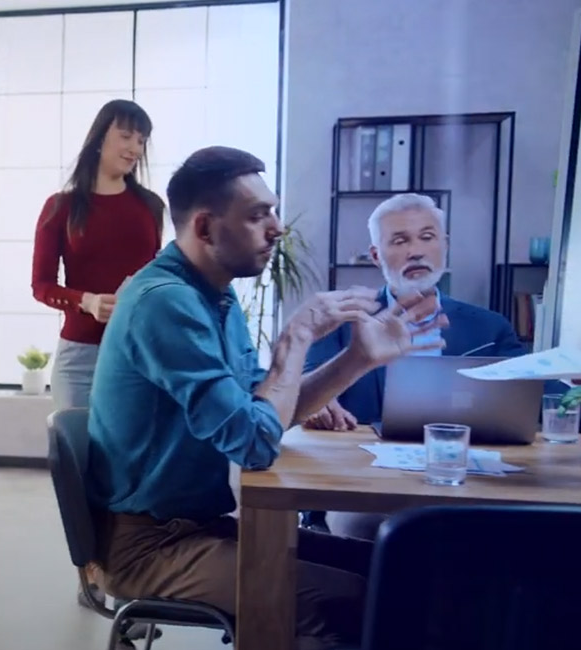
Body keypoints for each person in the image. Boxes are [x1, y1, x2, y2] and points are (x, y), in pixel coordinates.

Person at [86, 146, 448, 649]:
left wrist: (357, 358)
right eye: (258, 215)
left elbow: (263, 408)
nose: (277, 228)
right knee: (354, 599)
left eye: (273, 211)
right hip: (149, 547)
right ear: (205, 228)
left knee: (390, 566)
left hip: (198, 526)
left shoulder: (214, 293)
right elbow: (254, 443)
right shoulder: (165, 302)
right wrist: (296, 338)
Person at [300, 192, 559, 540]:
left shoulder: (489, 328)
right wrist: (319, 402)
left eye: (427, 237)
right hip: (363, 483)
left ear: (444, 245)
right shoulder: (344, 321)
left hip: (468, 480)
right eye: (400, 241)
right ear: (376, 255)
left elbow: (539, 393)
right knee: (374, 528)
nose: (416, 251)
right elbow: (305, 386)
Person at [31, 99, 165, 411]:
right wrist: (86, 302)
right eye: (126, 136)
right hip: (80, 360)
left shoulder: (151, 207)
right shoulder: (60, 207)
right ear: (99, 138)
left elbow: (156, 278)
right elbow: (41, 286)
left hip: (138, 355)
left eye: (141, 141)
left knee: (133, 444)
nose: (135, 148)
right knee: (75, 441)